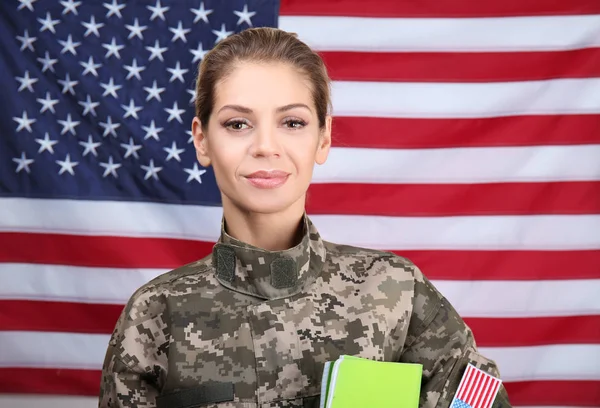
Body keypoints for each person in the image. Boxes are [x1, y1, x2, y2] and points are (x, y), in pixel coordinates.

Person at [98, 27, 512, 408]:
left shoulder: (396, 291)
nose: (266, 146)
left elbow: (480, 397)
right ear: (202, 140)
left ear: (324, 137)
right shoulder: (154, 312)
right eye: (237, 123)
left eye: (292, 122)